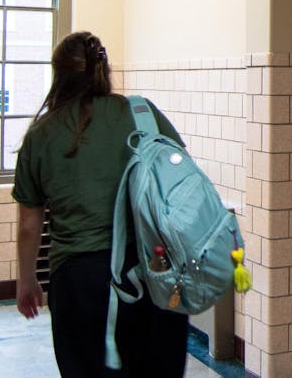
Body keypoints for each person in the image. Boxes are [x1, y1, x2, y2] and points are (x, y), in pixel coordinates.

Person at [12, 31, 189, 377]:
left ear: (58, 75)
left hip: (80, 282)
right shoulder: (140, 113)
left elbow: (29, 226)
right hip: (153, 271)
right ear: (103, 71)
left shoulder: (41, 135)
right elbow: (180, 174)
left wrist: (27, 280)